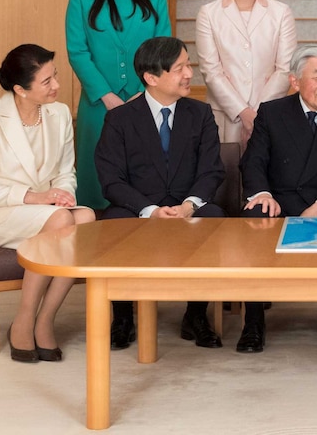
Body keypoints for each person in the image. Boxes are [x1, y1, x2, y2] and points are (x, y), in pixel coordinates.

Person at [0, 44, 96, 362]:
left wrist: (62, 194)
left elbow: (66, 171)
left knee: (87, 217)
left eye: (56, 76)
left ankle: (45, 318)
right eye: (47, 81)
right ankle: (24, 320)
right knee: (63, 222)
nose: (57, 86)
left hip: (43, 212)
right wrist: (35, 198)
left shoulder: (60, 113)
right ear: (21, 89)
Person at [95, 37, 225, 350]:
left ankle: (196, 314)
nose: (188, 74)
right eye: (179, 68)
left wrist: (189, 205)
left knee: (215, 217)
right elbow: (111, 180)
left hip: (186, 206)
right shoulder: (119, 119)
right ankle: (123, 315)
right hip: (139, 208)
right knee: (114, 221)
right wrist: (149, 209)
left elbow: (212, 171)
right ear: (152, 78)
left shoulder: (201, 114)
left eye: (188, 65)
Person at [239, 45, 317, 353]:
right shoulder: (271, 112)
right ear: (295, 81)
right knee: (255, 218)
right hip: (280, 202)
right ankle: (253, 323)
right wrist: (263, 194)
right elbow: (253, 161)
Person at [66, 0, 172, 210]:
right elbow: (77, 51)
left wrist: (142, 92)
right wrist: (107, 95)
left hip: (146, 101)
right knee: (97, 177)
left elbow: (164, 48)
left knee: (146, 174)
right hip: (98, 103)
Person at [195, 0, 298, 149]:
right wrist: (243, 112)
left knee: (266, 178)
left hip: (270, 113)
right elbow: (211, 71)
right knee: (226, 177)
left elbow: (284, 69)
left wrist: (258, 114)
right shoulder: (209, 14)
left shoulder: (281, 13)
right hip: (224, 115)